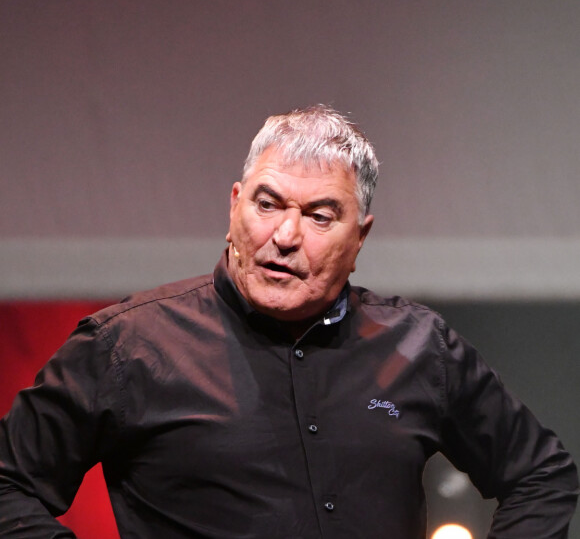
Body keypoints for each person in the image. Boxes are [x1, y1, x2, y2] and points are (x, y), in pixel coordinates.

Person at [0, 105, 577, 538]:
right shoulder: (127, 346)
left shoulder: (420, 346)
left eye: (319, 215)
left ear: (361, 237)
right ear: (234, 206)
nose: (284, 236)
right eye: (267, 204)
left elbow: (542, 478)